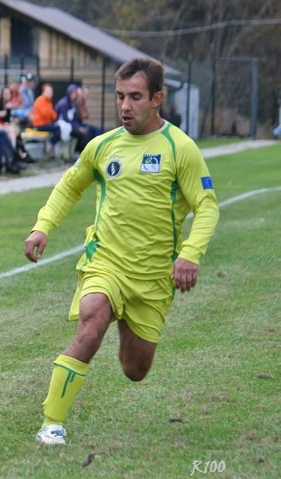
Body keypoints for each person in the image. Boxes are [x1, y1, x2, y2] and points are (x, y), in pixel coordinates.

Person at [24, 57, 219, 446]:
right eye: (120, 96)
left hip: (152, 277)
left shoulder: (180, 148)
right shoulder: (103, 145)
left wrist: (191, 253)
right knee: (91, 323)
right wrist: (42, 226)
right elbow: (70, 186)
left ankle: (127, 321)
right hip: (106, 262)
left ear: (157, 98)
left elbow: (207, 206)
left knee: (135, 369)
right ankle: (52, 423)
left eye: (135, 97)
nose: (125, 106)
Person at [31, 83, 62, 157]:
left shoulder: (48, 102)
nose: (50, 93)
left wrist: (51, 114)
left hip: (46, 124)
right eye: (48, 91)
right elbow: (46, 114)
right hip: (40, 125)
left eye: (51, 91)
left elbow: (54, 116)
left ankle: (51, 146)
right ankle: (50, 144)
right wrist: (51, 113)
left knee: (59, 128)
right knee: (57, 129)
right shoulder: (40, 100)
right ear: (44, 91)